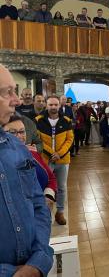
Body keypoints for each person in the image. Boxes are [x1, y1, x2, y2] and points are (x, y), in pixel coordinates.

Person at [0, 64, 54, 277]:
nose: (17, 100)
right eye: (7, 92)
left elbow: (38, 205)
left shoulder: (18, 148)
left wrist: (38, 261)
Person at [36, 95, 73, 225]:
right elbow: (38, 140)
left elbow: (69, 140)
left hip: (63, 161)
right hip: (46, 160)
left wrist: (60, 154)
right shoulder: (39, 120)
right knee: (46, 187)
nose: (53, 107)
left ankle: (60, 212)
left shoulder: (66, 120)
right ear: (46, 105)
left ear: (59, 105)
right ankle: (45, 214)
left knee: (62, 187)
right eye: (50, 104)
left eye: (55, 105)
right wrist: (52, 153)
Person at [3, 115, 57, 205]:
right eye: (12, 132)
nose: (19, 136)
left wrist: (48, 195)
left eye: (22, 131)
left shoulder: (33, 153)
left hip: (42, 211)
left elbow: (51, 178)